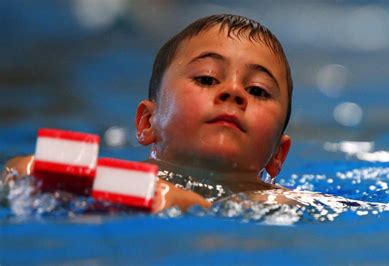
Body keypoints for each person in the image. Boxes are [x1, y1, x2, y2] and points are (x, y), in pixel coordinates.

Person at [3, 14, 297, 213]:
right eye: (207, 78)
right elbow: (22, 169)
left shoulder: (283, 205)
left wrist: (193, 206)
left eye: (257, 90)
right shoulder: (116, 177)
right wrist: (151, 191)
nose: (233, 92)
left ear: (278, 155)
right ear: (147, 123)